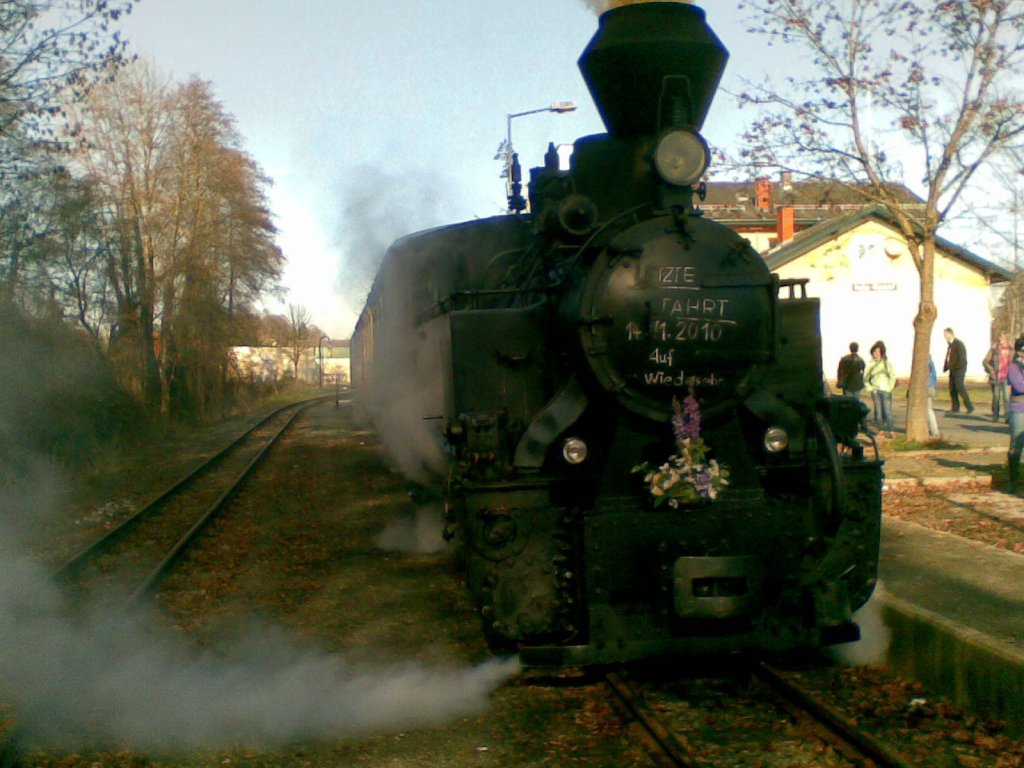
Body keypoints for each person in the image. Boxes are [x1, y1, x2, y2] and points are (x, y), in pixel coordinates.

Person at [864, 340, 896, 438]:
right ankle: (880, 430)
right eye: (874, 352)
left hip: (885, 390)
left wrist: (889, 387)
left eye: (877, 352)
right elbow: (866, 378)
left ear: (881, 352)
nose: (875, 354)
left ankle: (891, 430)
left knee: (888, 411)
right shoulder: (870, 364)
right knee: (878, 412)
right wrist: (871, 388)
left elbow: (892, 376)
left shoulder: (886, 363)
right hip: (875, 391)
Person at [1006, 338, 1024, 489]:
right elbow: (1020, 386)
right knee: (1016, 446)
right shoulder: (1013, 367)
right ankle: (1013, 481)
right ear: (1019, 352)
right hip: (1019, 410)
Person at [983, 332, 1013, 423]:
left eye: (1003, 338)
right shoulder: (994, 349)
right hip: (996, 376)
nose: (1001, 340)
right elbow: (985, 361)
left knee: (1007, 398)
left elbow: (1013, 363)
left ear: (1006, 339)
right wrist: (991, 370)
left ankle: (1007, 417)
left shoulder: (1011, 350)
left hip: (1007, 377)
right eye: (1000, 338)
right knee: (996, 397)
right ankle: (995, 416)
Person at [943, 327, 974, 414]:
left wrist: (956, 367)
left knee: (959, 387)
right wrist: (946, 366)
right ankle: (955, 407)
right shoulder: (950, 345)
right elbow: (949, 357)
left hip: (959, 369)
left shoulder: (959, 344)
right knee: (952, 388)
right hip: (952, 369)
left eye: (946, 335)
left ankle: (970, 406)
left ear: (950, 334)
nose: (945, 337)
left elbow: (962, 358)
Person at [927, 357, 940, 438]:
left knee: (928, 409)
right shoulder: (931, 362)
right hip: (930, 386)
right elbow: (934, 376)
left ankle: (934, 431)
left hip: (926, 387)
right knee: (928, 409)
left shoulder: (925, 363)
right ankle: (932, 430)